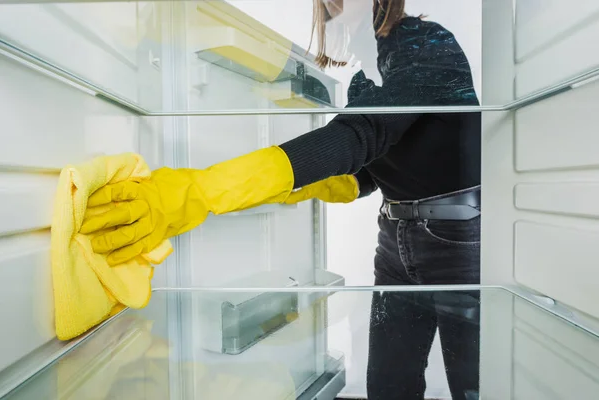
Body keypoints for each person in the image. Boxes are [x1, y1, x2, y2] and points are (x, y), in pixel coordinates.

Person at [80, 1, 481, 398]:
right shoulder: (364, 80)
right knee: (388, 385)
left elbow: (360, 135)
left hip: (459, 241)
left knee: (476, 383)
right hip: (394, 240)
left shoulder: (427, 43)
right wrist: (293, 185)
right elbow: (366, 173)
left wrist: (198, 191)